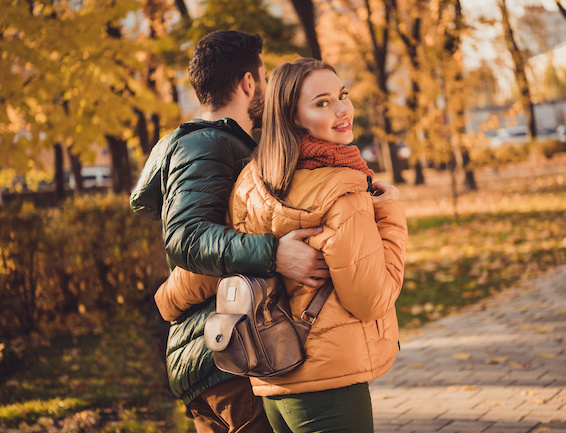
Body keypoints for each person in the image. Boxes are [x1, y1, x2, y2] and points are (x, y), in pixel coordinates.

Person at [155, 58, 408, 433]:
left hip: (271, 381)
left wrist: (167, 300)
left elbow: (221, 260)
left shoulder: (251, 183)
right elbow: (370, 299)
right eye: (321, 103)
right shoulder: (344, 189)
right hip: (330, 381)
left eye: (342, 95)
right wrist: (390, 216)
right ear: (292, 118)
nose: (342, 109)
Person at [130, 32, 329, 433]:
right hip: (226, 351)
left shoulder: (218, 144)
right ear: (249, 82)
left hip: (220, 348)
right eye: (265, 76)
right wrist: (274, 253)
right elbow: (186, 237)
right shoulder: (206, 145)